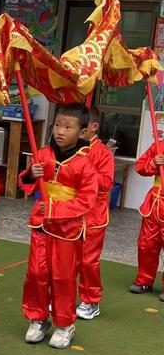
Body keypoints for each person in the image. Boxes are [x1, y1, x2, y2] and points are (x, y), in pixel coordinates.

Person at [19, 103, 98, 349]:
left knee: (63, 277)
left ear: (83, 132)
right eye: (57, 126)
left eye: (68, 127)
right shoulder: (43, 153)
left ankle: (65, 324)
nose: (60, 131)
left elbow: (87, 200)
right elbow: (27, 180)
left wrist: (54, 210)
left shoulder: (85, 164)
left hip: (67, 230)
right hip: (41, 225)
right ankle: (38, 318)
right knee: (36, 273)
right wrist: (33, 172)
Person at [76, 106, 114, 319]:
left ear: (93, 127)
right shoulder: (71, 148)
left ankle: (91, 301)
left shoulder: (103, 153)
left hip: (93, 216)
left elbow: (107, 183)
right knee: (66, 260)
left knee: (88, 261)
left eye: (79, 126)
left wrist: (84, 169)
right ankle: (63, 298)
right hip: (70, 213)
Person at [129, 138, 164, 301]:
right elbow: (140, 166)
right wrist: (153, 163)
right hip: (154, 204)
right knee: (146, 245)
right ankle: (144, 280)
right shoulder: (159, 145)